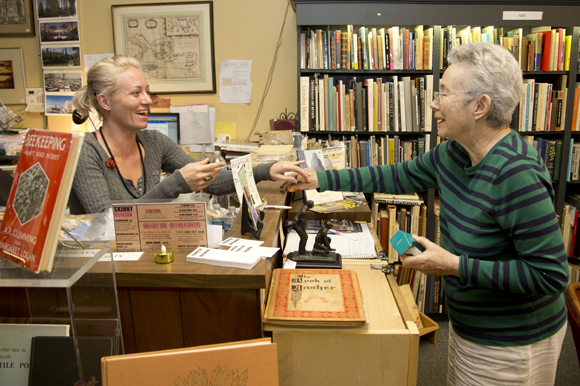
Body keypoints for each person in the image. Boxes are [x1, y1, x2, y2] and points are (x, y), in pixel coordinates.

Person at [285, 43, 569, 385]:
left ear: (480, 106)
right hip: (470, 329)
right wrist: (319, 178)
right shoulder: (453, 153)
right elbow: (393, 175)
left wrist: (453, 266)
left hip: (513, 342)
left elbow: (551, 275)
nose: (434, 103)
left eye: (445, 93)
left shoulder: (516, 173)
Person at [69, 55, 310, 215]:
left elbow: (212, 181)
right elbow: (106, 223)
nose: (147, 100)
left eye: (147, 91)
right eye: (135, 93)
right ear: (105, 101)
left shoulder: (154, 142)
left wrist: (265, 170)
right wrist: (175, 184)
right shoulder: (85, 152)